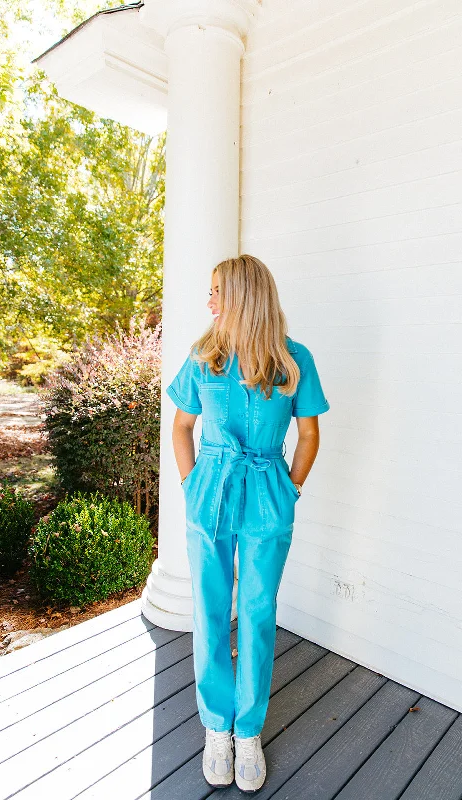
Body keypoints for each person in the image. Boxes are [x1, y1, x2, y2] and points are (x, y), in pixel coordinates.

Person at [165, 254, 330, 793]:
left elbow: (308, 434)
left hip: (266, 496)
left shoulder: (293, 360)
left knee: (257, 611)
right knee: (211, 611)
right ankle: (218, 727)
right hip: (209, 495)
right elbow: (182, 426)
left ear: (244, 295)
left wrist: (292, 488)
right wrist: (191, 486)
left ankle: (249, 729)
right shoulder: (202, 357)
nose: (208, 300)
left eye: (217, 290)